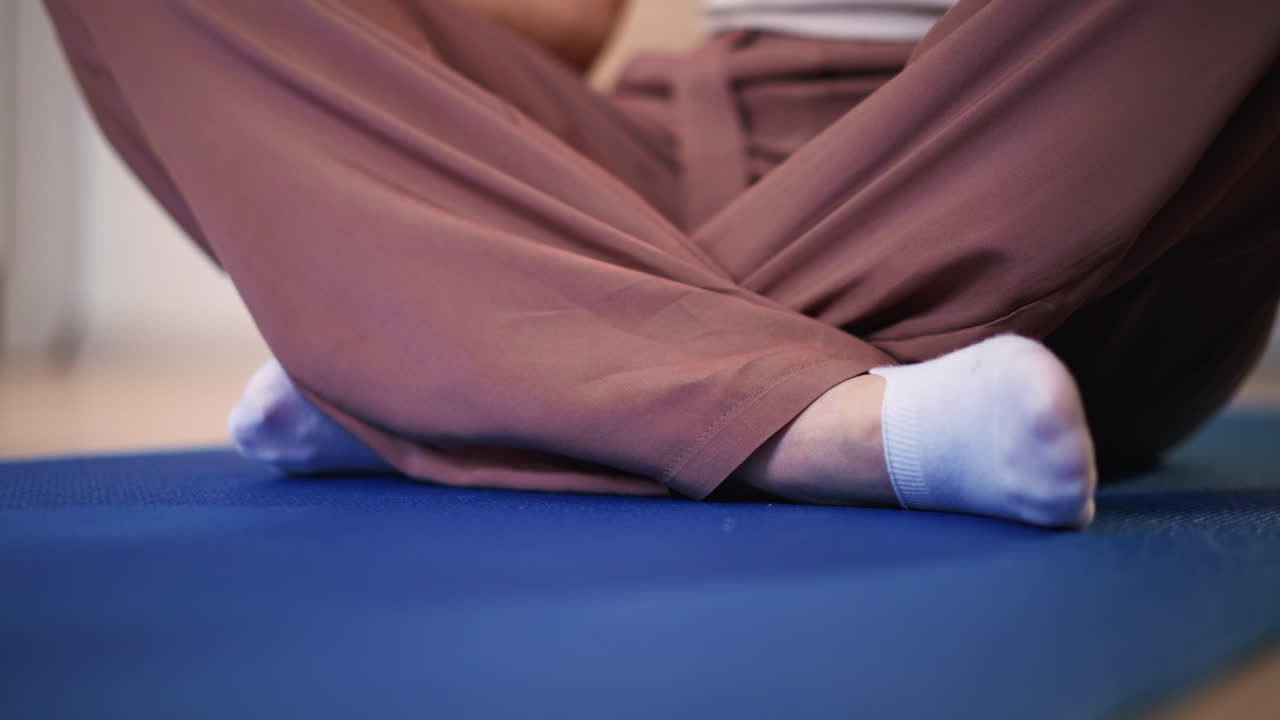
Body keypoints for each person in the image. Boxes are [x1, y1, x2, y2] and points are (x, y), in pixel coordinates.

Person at [45, 0, 1279, 529]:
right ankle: (785, 412)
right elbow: (570, 26)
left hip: (1038, 157)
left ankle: (457, 366)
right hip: (674, 153)